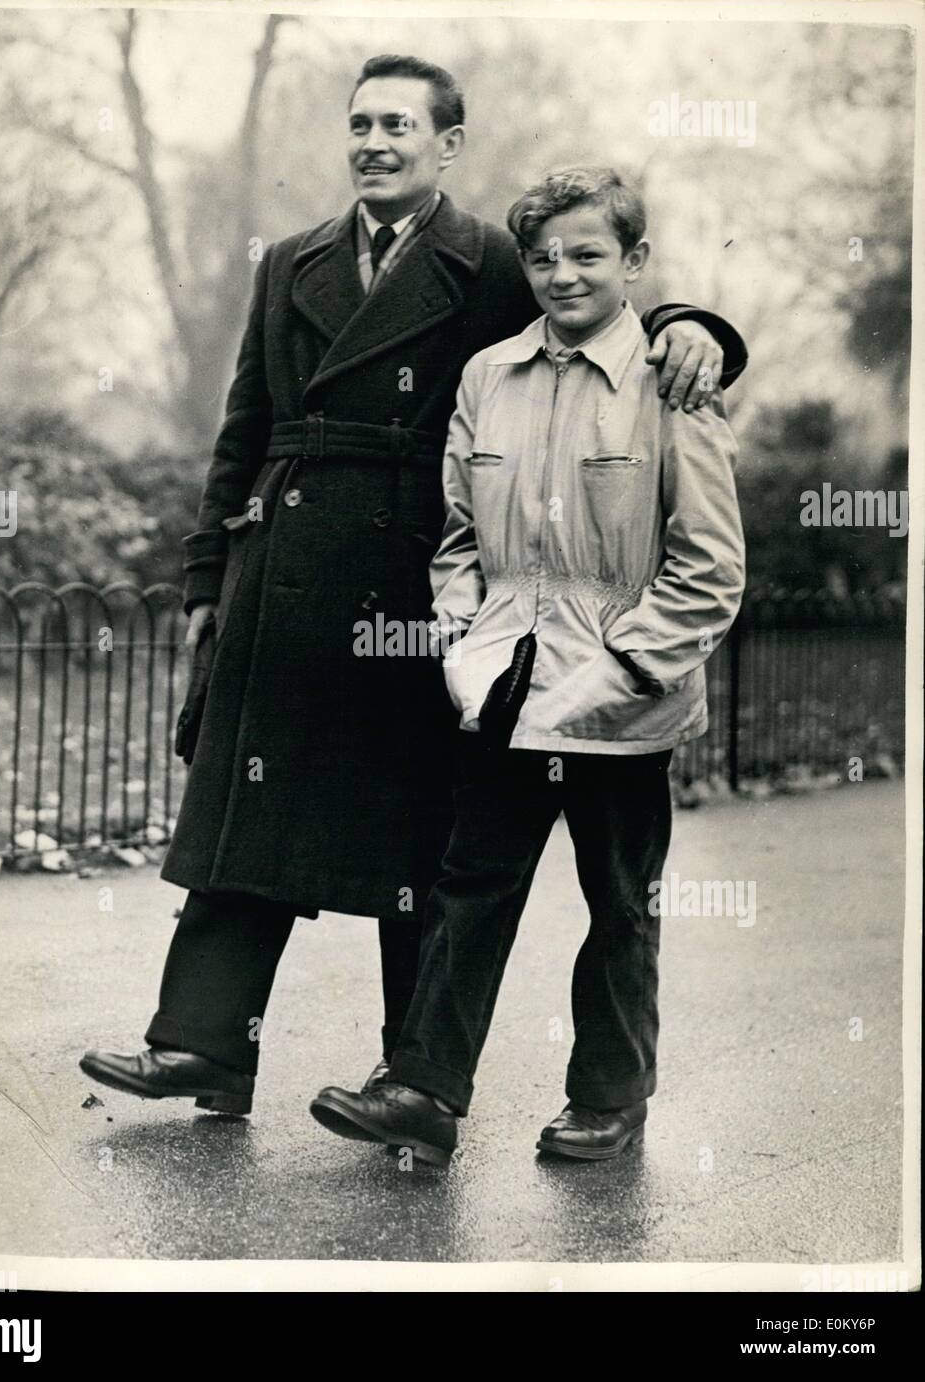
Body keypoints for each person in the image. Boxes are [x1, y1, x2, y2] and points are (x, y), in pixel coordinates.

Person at [80, 61, 747, 1118]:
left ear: (448, 144)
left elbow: (587, 295)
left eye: (399, 124)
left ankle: (416, 1073)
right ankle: (206, 1044)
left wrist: (693, 324)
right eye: (360, 124)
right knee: (251, 804)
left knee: (426, 828)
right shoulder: (290, 261)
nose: (375, 142)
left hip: (417, 579)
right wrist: (211, 567)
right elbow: (244, 423)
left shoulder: (486, 256)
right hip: (297, 564)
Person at [310, 165, 746, 1166]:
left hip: (624, 702)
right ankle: (423, 1089)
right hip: (505, 691)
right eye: (544, 256)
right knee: (470, 889)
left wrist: (627, 669)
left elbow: (711, 567)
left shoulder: (675, 386)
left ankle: (609, 1094)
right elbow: (459, 538)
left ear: (634, 262)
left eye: (588, 254)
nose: (562, 274)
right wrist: (465, 647)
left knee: (620, 905)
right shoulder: (486, 377)